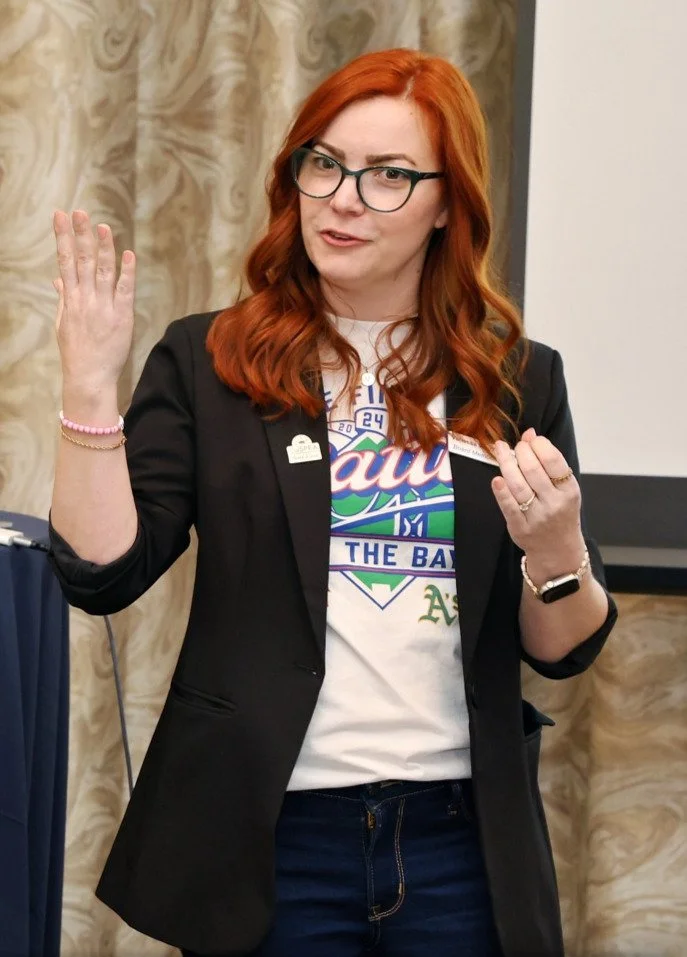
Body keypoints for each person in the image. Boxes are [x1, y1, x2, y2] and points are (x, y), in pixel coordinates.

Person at [48, 48, 617, 957]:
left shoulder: (512, 378)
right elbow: (102, 572)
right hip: (270, 839)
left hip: (456, 843)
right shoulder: (211, 361)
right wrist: (86, 387)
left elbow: (562, 645)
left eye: (389, 176)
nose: (345, 198)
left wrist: (556, 550)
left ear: (446, 206)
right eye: (326, 163)